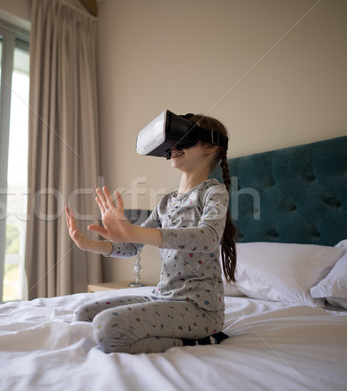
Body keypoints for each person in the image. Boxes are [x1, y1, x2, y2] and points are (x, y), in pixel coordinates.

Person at [65, 114, 237, 354]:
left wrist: (135, 231)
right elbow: (132, 247)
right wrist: (90, 245)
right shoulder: (166, 202)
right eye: (172, 142)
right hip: (161, 296)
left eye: (185, 139)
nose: (174, 147)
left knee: (106, 327)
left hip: (199, 308)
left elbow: (207, 239)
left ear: (210, 146)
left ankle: (198, 340)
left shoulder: (213, 192)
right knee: (83, 314)